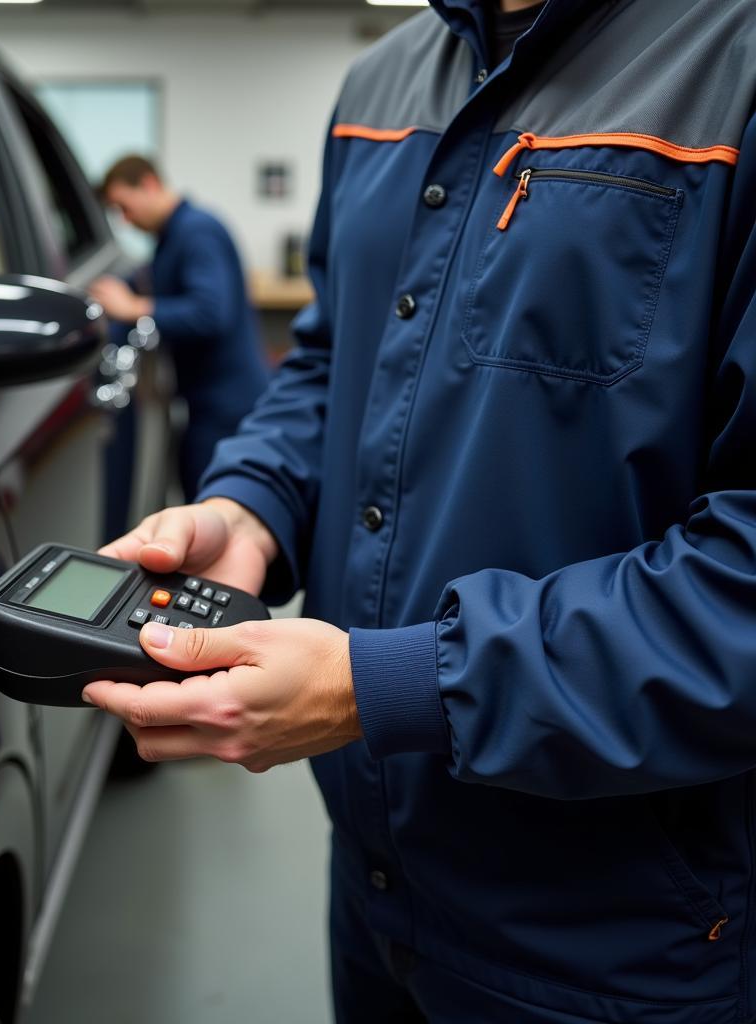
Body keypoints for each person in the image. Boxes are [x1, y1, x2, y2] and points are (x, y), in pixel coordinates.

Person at [83, 0, 756, 1020]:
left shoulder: (732, 64)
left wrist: (395, 685)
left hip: (613, 939)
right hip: (374, 877)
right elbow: (328, 362)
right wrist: (254, 506)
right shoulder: (381, 83)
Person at [90, 156, 269, 501]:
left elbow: (210, 313)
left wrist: (133, 308)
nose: (125, 221)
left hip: (227, 409)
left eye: (124, 207)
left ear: (149, 184)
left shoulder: (197, 230)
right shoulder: (172, 238)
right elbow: (154, 281)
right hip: (205, 403)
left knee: (212, 505)